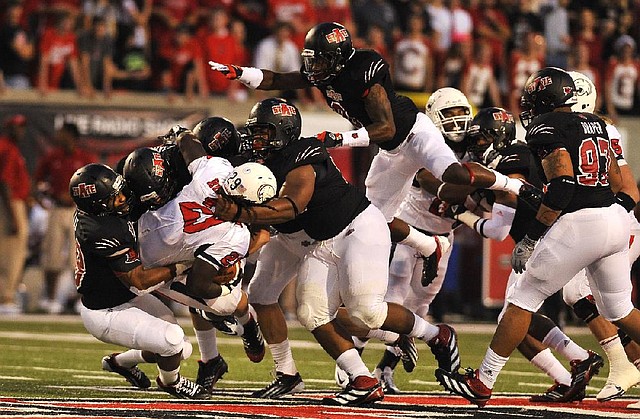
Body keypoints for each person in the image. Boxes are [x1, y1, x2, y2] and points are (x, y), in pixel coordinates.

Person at [208, 21, 536, 283]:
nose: (313, 64)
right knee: (372, 218)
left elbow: (387, 128)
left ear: (337, 57)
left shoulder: (364, 68)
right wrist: (241, 73)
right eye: (312, 57)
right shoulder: (325, 72)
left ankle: (514, 186)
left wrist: (339, 138)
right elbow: (281, 78)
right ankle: (429, 245)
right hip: (391, 152)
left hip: (411, 133)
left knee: (451, 173)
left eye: (319, 58)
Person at [213, 97, 462, 406]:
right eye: (256, 132)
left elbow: (293, 206)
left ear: (282, 130)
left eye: (263, 131)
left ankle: (436, 335)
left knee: (366, 311)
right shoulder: (256, 157)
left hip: (357, 227)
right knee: (311, 312)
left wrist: (241, 213)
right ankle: (362, 380)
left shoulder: (303, 155)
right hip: (323, 239)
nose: (257, 138)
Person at [436, 66, 640, 407]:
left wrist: (532, 237)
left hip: (580, 221)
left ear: (545, 99)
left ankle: (482, 382)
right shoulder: (600, 124)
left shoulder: (547, 127)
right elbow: (617, 178)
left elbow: (561, 186)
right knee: (620, 309)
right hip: (614, 218)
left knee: (522, 301)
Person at [122, 124, 267, 393]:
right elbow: (188, 146)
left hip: (165, 260)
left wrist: (182, 133)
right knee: (208, 300)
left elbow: (189, 144)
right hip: (159, 248)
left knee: (221, 302)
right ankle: (211, 358)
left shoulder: (219, 170)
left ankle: (243, 328)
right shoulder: (205, 170)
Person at [70, 163, 209, 399]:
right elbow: (140, 280)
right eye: (116, 198)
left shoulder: (104, 212)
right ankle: (171, 382)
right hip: (105, 311)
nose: (124, 198)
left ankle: (119, 362)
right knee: (170, 341)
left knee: (180, 348)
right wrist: (185, 264)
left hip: (129, 296)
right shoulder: (100, 229)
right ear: (98, 206)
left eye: (121, 190)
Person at [35, 122, 97, 314]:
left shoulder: (85, 158)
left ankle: (82, 298)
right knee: (52, 254)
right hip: (56, 209)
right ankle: (50, 298)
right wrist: (43, 198)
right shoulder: (52, 156)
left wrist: (78, 198)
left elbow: (96, 185)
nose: (59, 136)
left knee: (78, 257)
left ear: (71, 136)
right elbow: (37, 180)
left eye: (62, 133)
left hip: (77, 211)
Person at [0, 114, 30, 314]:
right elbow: (5, 182)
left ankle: (6, 295)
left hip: (12, 203)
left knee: (12, 251)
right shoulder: (6, 147)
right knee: (11, 252)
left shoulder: (11, 148)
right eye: (17, 127)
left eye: (22, 127)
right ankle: (6, 297)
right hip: (8, 205)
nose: (21, 131)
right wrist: (12, 215)